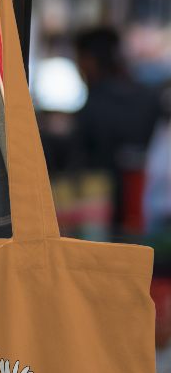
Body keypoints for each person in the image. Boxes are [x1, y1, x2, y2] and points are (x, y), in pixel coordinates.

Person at [74, 25, 161, 235]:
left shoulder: (93, 106)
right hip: (148, 211)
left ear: (89, 60)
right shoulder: (148, 98)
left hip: (100, 215)